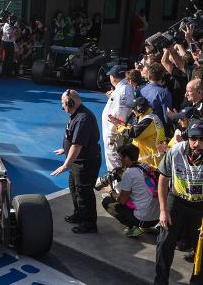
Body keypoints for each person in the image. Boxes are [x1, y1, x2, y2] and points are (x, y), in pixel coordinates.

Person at [154, 119, 203, 285]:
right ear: (188, 137)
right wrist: (163, 210)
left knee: (201, 247)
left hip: (200, 206)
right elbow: (162, 179)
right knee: (164, 244)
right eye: (194, 138)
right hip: (176, 201)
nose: (197, 143)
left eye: (202, 139)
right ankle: (160, 281)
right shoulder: (175, 151)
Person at [51, 89, 101, 234]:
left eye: (63, 103)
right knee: (74, 188)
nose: (62, 107)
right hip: (76, 160)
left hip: (85, 162)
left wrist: (65, 165)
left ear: (70, 102)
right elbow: (72, 138)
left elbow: (77, 144)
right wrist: (64, 150)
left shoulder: (83, 118)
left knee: (84, 192)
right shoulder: (76, 114)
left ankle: (89, 224)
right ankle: (79, 214)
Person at [102, 144, 159, 237]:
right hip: (157, 217)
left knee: (107, 201)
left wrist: (110, 191)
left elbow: (122, 200)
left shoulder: (129, 173)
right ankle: (145, 225)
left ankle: (135, 226)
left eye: (121, 157)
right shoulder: (145, 167)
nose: (119, 159)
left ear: (127, 158)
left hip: (144, 219)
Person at [102, 65, 134, 192]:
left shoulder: (123, 91)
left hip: (113, 134)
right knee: (115, 162)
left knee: (114, 162)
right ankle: (117, 188)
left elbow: (120, 114)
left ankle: (118, 191)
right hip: (114, 133)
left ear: (113, 77)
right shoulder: (122, 89)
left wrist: (112, 136)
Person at [111, 97, 166, 169]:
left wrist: (118, 126)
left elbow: (133, 133)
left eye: (134, 108)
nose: (132, 110)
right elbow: (136, 128)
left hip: (151, 162)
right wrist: (121, 124)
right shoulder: (147, 117)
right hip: (150, 159)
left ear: (140, 109)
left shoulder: (149, 120)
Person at [140, 62, 173, 127]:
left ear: (149, 76)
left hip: (144, 126)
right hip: (159, 129)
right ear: (162, 76)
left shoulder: (141, 90)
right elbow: (167, 116)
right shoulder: (164, 93)